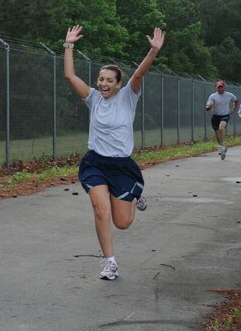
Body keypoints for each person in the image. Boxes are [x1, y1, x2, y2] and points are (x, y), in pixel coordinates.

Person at [63, 24, 165, 281]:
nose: (104, 83)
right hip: (95, 163)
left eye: (110, 80)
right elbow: (70, 76)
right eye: (101, 79)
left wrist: (153, 51)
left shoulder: (129, 95)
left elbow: (140, 74)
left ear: (119, 84)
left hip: (121, 166)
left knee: (122, 223)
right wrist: (68, 45)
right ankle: (110, 263)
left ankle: (134, 194)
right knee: (100, 210)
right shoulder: (93, 98)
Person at [205, 81, 238, 160]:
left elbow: (236, 101)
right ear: (216, 87)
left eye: (221, 87)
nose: (220, 88)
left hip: (225, 115)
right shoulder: (213, 96)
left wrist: (233, 109)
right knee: (217, 134)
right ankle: (222, 148)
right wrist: (209, 106)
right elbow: (207, 107)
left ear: (224, 87)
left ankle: (221, 146)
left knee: (221, 128)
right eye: (218, 87)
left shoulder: (229, 95)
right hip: (215, 116)